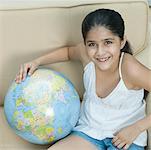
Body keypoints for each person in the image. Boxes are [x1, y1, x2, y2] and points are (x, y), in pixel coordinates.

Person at [15, 9, 151, 150]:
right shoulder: (86, 55)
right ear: (86, 44)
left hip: (125, 138)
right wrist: (37, 62)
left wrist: (136, 128)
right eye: (92, 44)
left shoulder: (130, 68)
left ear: (122, 42)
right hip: (89, 131)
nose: (100, 52)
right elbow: (68, 52)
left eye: (108, 42)